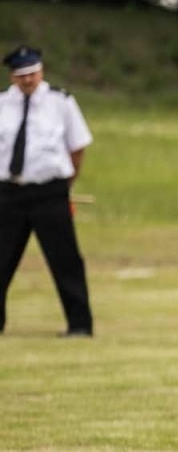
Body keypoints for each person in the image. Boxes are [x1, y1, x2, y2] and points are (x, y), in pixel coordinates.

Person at [0, 45, 93, 338]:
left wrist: (67, 183)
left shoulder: (61, 102)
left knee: (65, 259)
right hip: (9, 193)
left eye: (32, 73)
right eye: (22, 75)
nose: (28, 80)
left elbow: (77, 146)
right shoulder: (2, 104)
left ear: (41, 71)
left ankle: (79, 324)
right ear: (13, 77)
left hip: (49, 192)